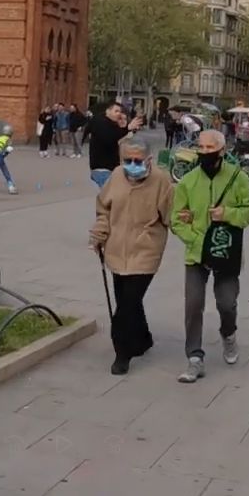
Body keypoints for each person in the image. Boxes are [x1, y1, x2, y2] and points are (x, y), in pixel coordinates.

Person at [171, 130, 249, 383]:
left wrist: (228, 214)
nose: (205, 152)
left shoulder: (238, 178)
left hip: (226, 251)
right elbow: (176, 219)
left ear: (222, 151)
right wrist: (199, 240)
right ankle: (194, 357)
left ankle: (228, 334)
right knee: (193, 305)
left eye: (211, 147)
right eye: (201, 147)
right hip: (196, 254)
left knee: (227, 303)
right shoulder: (187, 181)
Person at [90, 137, 174, 375]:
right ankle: (144, 338)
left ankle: (122, 351)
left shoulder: (161, 181)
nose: (132, 165)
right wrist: (99, 235)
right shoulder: (116, 176)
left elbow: (172, 217)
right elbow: (103, 210)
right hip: (116, 249)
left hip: (146, 251)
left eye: (137, 160)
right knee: (127, 300)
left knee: (127, 305)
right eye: (127, 160)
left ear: (149, 160)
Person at [87, 100, 137, 188]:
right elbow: (109, 138)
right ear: (108, 111)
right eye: (116, 111)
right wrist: (127, 129)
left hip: (112, 169)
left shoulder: (112, 126)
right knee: (110, 196)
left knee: (111, 197)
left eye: (120, 112)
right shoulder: (101, 122)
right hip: (102, 169)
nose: (118, 114)